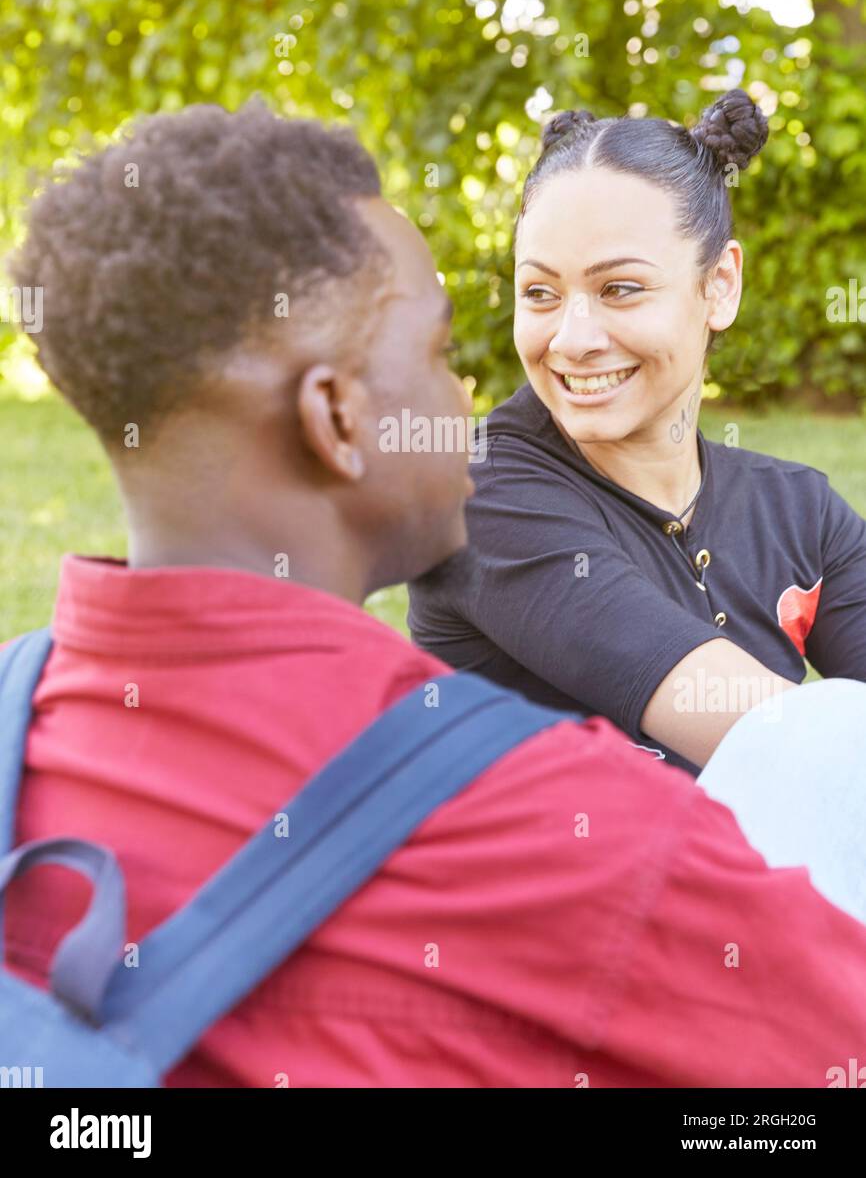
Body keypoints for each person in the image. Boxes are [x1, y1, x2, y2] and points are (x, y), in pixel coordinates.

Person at [4, 99, 866, 1088]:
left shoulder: (25, 718)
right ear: (335, 415)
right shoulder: (578, 832)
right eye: (441, 352)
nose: (475, 402)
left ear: (718, 286)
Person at [409, 89, 866, 776]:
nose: (573, 338)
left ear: (720, 286)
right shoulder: (477, 498)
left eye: (620, 288)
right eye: (541, 293)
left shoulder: (800, 514)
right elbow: (783, 748)